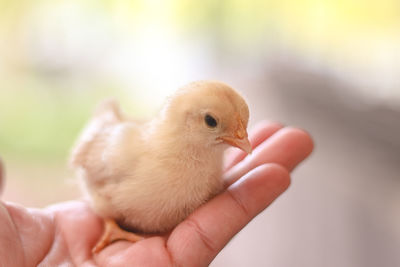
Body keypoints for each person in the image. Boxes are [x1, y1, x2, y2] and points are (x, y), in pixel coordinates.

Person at [0, 122, 313, 267]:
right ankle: (112, 223)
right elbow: (83, 159)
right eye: (212, 121)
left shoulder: (209, 167)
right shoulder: (128, 152)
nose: (241, 139)